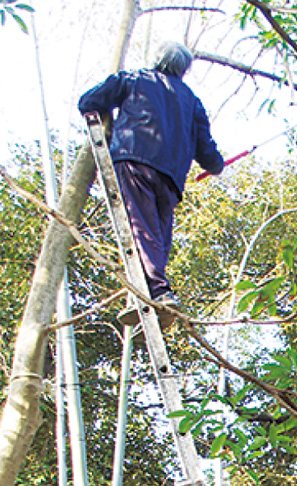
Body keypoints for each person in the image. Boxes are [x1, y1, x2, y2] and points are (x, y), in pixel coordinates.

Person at [78, 42, 224, 325]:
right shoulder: (192, 102)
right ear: (183, 70)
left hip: (135, 159)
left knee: (141, 230)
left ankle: (156, 291)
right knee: (158, 238)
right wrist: (217, 164)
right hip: (170, 177)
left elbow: (89, 101)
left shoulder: (134, 79)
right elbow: (208, 152)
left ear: (156, 60)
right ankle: (150, 293)